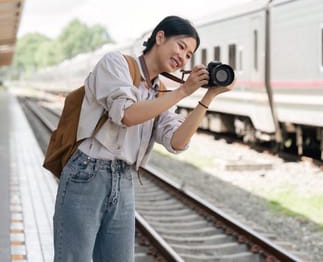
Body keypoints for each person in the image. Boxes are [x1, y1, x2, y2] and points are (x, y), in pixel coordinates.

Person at [53, 15, 235, 261]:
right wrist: (183, 91)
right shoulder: (116, 63)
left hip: (124, 179)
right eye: (181, 46)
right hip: (87, 175)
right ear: (160, 37)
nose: (183, 57)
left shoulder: (159, 91)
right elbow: (126, 114)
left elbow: (177, 142)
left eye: (189, 55)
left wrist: (208, 97)